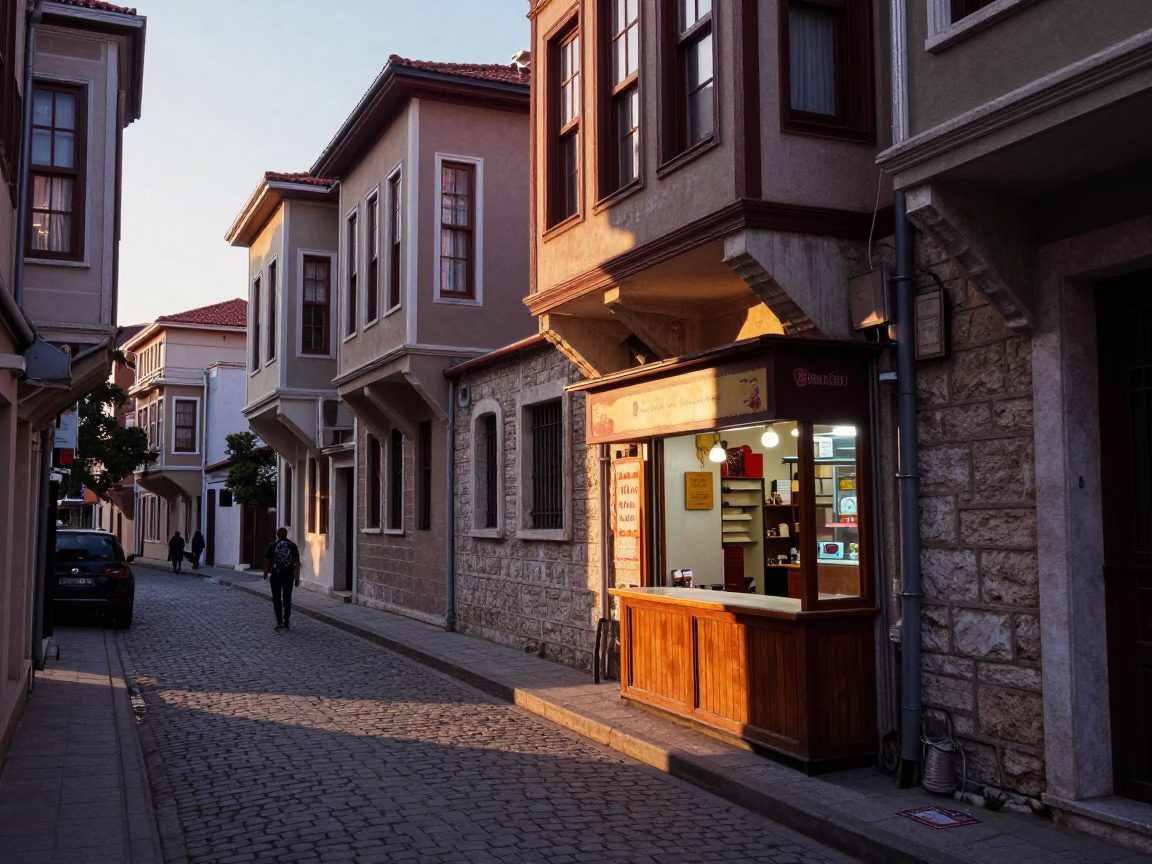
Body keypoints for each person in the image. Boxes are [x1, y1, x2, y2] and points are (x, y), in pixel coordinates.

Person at [263, 527, 301, 632]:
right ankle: (286, 621)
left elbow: (267, 560)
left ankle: (279, 622)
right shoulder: (293, 546)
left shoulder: (272, 545)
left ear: (277, 535)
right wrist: (297, 578)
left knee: (276, 599)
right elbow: (297, 563)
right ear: (286, 534)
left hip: (276, 576)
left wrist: (265, 573)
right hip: (288, 576)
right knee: (287, 598)